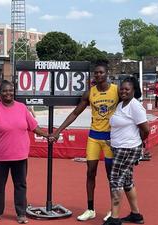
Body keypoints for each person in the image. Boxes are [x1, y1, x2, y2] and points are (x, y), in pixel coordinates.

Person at [52, 62, 119, 221]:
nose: (98, 75)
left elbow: (130, 106)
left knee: (111, 175)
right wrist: (58, 130)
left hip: (110, 138)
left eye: (101, 72)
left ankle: (112, 210)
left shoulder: (116, 90)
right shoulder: (90, 93)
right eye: (96, 73)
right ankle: (90, 209)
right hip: (94, 137)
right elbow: (75, 113)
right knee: (90, 172)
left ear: (107, 73)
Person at [0, 80, 52, 224]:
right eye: (5, 91)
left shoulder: (22, 108)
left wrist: (47, 135)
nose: (8, 93)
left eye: (11, 90)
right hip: (0, 157)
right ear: (0, 93)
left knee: (20, 185)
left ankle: (21, 214)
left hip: (20, 155)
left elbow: (33, 127)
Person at [104, 77, 149, 225]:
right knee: (127, 181)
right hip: (119, 147)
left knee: (115, 181)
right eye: (121, 89)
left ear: (134, 90)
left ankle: (114, 218)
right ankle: (136, 215)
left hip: (127, 149)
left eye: (127, 89)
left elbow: (145, 129)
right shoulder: (121, 104)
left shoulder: (135, 106)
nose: (123, 91)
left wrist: (138, 142)